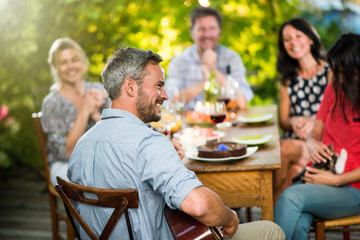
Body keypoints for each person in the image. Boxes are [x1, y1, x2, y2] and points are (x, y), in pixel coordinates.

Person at [67, 47, 285, 240]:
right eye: (159, 85)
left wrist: (163, 156)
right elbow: (199, 206)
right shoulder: (148, 144)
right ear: (131, 87)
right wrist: (229, 218)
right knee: (270, 230)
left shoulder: (81, 146)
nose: (166, 95)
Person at [274, 33, 360, 240]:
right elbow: (314, 135)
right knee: (298, 219)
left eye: (344, 73)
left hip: (353, 186)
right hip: (322, 174)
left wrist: (337, 180)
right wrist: (313, 145)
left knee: (291, 198)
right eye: (336, 72)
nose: (339, 79)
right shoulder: (335, 89)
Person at [273, 18, 332, 203]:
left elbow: (340, 114)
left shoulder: (330, 72)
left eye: (299, 36)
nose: (293, 42)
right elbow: (283, 119)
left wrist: (315, 123)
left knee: (283, 148)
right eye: (287, 39)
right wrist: (293, 121)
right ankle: (278, 228)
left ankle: (267, 214)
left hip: (321, 144)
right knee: (291, 172)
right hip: (296, 145)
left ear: (311, 39)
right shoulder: (287, 79)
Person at [41, 38, 110, 186]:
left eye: (74, 59)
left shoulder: (98, 90)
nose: (70, 66)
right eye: (63, 62)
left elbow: (115, 137)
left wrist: (95, 114)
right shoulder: (52, 103)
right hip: (64, 166)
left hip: (99, 161)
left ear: (82, 61)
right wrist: (84, 112)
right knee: (93, 180)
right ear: (55, 66)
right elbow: (67, 153)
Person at [165, 6, 253, 111]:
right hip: (190, 124)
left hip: (226, 122)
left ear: (219, 32)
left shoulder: (232, 58)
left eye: (212, 28)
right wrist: (204, 82)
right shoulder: (179, 62)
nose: (207, 34)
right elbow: (169, 102)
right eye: (201, 29)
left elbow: (242, 103)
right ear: (192, 33)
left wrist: (214, 70)